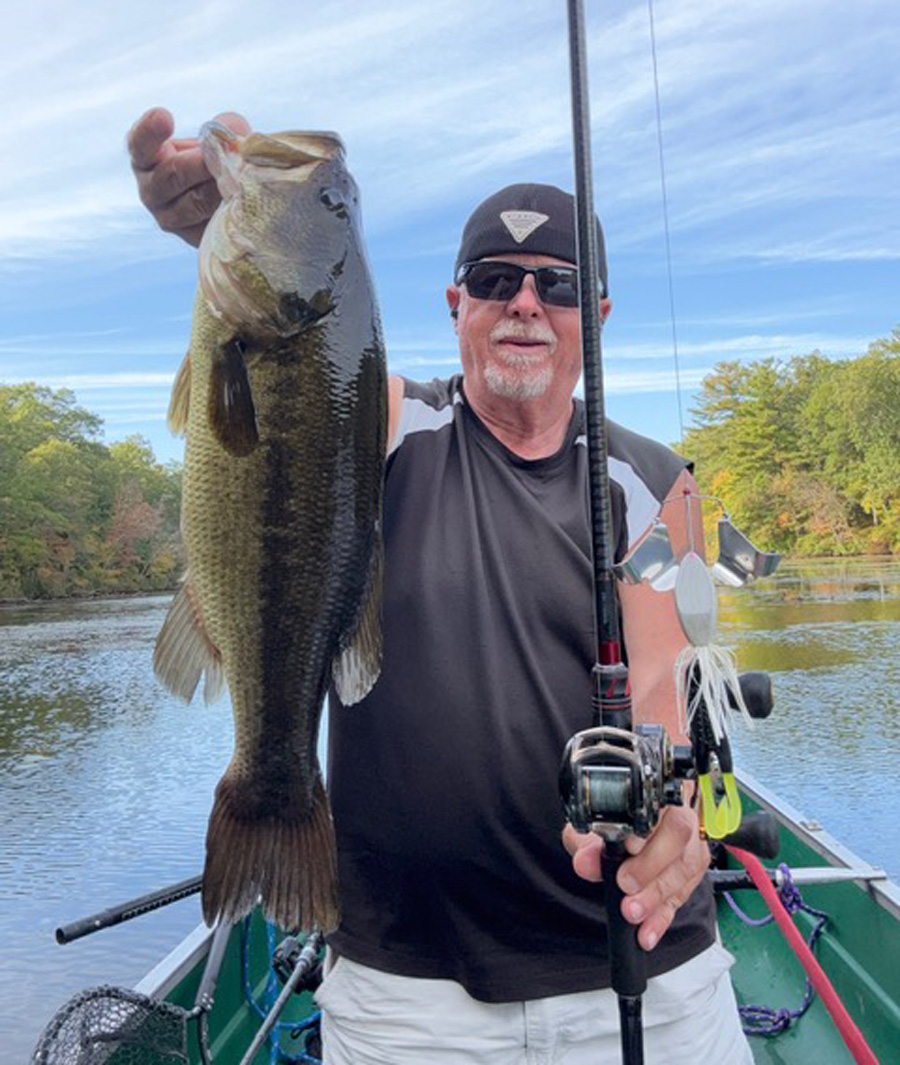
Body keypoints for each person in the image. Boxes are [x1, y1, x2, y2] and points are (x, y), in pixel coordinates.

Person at [129, 108, 754, 1065]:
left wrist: (670, 825)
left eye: (558, 285)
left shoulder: (656, 481)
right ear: (455, 303)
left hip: (643, 970)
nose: (526, 305)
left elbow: (662, 701)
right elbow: (291, 368)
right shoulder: (385, 424)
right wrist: (213, 232)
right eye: (498, 283)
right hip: (406, 994)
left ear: (598, 315)